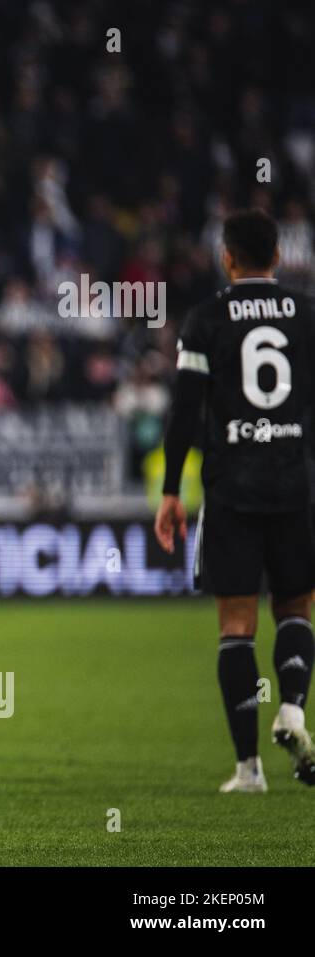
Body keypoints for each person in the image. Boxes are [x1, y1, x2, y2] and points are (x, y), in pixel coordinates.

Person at [156, 207, 315, 792]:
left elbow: (183, 412)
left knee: (237, 627)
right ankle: (294, 706)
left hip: (232, 487)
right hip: (294, 482)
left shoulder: (205, 319)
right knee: (297, 609)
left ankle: (248, 768)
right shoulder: (306, 315)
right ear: (278, 257)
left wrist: (172, 490)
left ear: (227, 257)